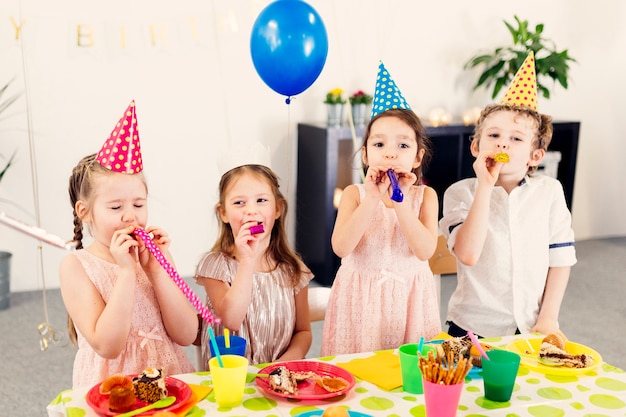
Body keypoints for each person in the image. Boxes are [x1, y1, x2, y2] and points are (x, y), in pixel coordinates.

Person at [59, 101, 196, 389]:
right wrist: (126, 273)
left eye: (138, 204)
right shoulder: (76, 266)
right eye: (115, 206)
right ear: (85, 212)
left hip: (170, 379)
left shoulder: (157, 257)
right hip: (114, 387)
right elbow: (107, 346)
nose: (130, 215)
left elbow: (186, 334)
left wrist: (158, 271)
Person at [439, 52, 576, 339]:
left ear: (534, 156)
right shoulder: (460, 192)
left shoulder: (549, 192)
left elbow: (560, 258)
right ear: (476, 147)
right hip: (471, 330)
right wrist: (486, 186)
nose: (503, 142)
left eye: (516, 138)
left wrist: (548, 319)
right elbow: (467, 254)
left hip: (531, 328)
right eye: (494, 135)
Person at [321, 62, 442, 356]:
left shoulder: (425, 197)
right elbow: (341, 247)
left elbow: (425, 250)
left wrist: (400, 202)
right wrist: (373, 198)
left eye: (403, 146)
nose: (390, 152)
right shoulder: (354, 194)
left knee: (408, 378)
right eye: (379, 144)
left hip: (410, 303)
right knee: (359, 374)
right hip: (360, 302)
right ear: (365, 155)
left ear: (417, 157)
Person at [195, 163, 313, 366]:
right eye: (239, 202)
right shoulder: (215, 266)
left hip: (280, 378)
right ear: (223, 213)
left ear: (277, 208)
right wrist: (248, 260)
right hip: (231, 381)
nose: (251, 210)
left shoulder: (294, 270)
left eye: (261, 200)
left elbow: (303, 332)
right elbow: (231, 319)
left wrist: (282, 365)